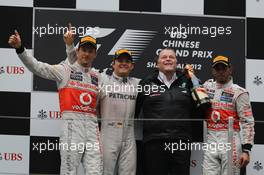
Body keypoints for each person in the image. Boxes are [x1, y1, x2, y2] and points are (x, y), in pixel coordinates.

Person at [8, 30, 103, 175]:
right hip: (72, 128)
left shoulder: (98, 76)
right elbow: (37, 67)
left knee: (95, 172)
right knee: (69, 171)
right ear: (77, 51)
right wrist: (20, 49)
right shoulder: (64, 70)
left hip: (92, 129)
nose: (87, 54)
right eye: (84, 50)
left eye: (91, 51)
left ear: (95, 55)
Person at [64, 31, 140, 175]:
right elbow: (77, 65)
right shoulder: (102, 79)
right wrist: (69, 46)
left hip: (129, 135)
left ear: (132, 66)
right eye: (120, 60)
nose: (123, 63)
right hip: (107, 133)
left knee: (129, 172)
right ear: (113, 64)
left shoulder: (138, 84)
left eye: (127, 61)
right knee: (104, 172)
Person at [135, 48, 200, 175]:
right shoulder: (146, 83)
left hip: (181, 141)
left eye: (172, 57)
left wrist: (194, 78)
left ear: (176, 62)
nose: (168, 59)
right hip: (154, 141)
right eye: (164, 57)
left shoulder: (188, 82)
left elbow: (202, 106)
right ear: (157, 63)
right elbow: (135, 111)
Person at [202, 55, 255, 175]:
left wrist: (246, 150)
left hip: (230, 139)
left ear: (230, 69)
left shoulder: (239, 92)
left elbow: (248, 122)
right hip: (211, 138)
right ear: (213, 71)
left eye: (223, 68)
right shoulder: (206, 87)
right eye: (217, 68)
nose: (221, 71)